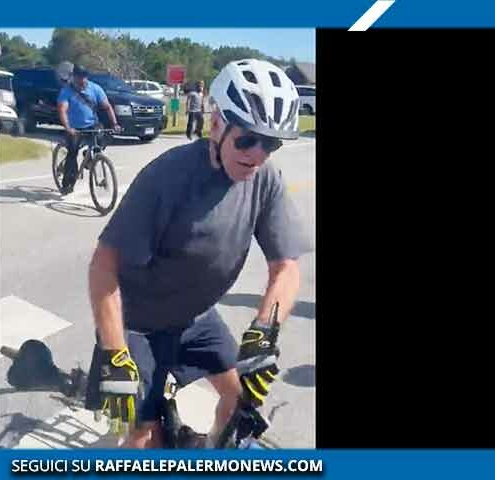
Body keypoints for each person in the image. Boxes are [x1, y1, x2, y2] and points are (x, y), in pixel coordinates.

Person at [85, 59, 310, 448]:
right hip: (138, 323)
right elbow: (103, 266)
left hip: (196, 318)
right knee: (142, 433)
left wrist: (264, 333)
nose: (257, 154)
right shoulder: (166, 177)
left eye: (270, 143)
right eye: (247, 139)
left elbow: (286, 268)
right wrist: (114, 352)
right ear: (217, 122)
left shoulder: (266, 179)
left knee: (241, 401)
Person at [57, 64, 121, 195]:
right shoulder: (67, 91)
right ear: (73, 77)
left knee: (103, 136)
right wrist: (68, 127)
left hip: (92, 124)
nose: (82, 81)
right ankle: (68, 183)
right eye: (79, 78)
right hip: (74, 127)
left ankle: (90, 156)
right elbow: (62, 110)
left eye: (84, 77)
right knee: (72, 153)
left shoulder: (95, 88)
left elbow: (107, 107)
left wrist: (115, 124)